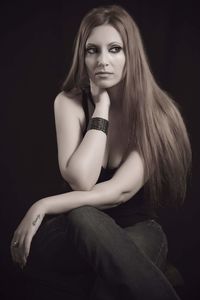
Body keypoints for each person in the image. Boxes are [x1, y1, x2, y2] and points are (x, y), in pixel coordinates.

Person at [10, 4, 192, 300]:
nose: (102, 61)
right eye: (92, 50)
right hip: (71, 232)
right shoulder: (68, 103)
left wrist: (42, 204)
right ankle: (153, 273)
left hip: (138, 227)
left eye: (115, 49)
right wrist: (102, 110)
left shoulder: (158, 113)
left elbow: (118, 192)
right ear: (82, 56)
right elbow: (82, 180)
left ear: (131, 55)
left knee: (109, 288)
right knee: (83, 216)